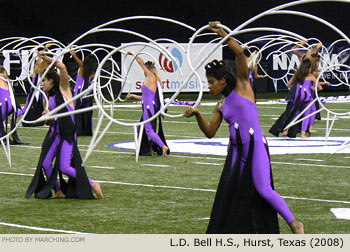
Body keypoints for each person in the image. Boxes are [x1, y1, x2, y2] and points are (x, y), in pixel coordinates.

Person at [184, 21, 303, 234]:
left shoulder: (243, 86)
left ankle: (295, 224)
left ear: (222, 80)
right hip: (236, 152)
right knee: (232, 193)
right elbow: (210, 133)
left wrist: (221, 32)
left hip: (255, 146)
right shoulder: (220, 105)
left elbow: (239, 53)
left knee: (264, 189)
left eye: (211, 82)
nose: (209, 86)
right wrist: (198, 115)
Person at [25, 51, 103, 199]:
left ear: (52, 81)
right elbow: (52, 122)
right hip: (55, 133)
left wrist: (45, 57)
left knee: (65, 167)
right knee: (46, 163)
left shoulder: (65, 90)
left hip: (67, 135)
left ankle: (92, 184)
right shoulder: (47, 99)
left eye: (44, 81)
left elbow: (61, 67)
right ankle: (58, 190)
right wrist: (48, 116)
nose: (41, 84)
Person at [126, 50, 169, 157]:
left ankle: (163, 146)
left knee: (149, 131)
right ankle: (147, 149)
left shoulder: (151, 77)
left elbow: (140, 62)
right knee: (139, 128)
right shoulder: (151, 79)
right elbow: (145, 97)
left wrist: (133, 53)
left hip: (149, 108)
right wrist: (133, 96)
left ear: (148, 69)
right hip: (148, 106)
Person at [70, 47, 97, 136]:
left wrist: (72, 51)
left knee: (78, 112)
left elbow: (76, 59)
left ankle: (79, 130)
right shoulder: (91, 72)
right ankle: (87, 131)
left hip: (79, 91)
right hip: (87, 92)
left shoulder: (82, 67)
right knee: (87, 112)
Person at [0, 66, 23, 144]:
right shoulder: (6, 79)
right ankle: (5, 138)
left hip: (4, 104)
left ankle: (4, 139)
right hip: (11, 104)